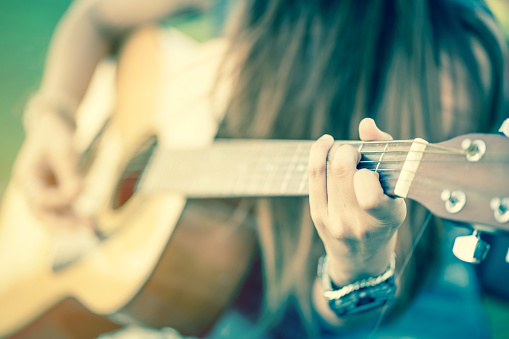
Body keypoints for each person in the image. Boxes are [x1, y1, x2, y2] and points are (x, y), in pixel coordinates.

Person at [11, 0, 507, 338]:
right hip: (218, 286)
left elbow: (346, 321)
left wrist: (358, 265)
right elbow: (94, 17)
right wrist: (54, 118)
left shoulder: (450, 62)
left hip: (397, 305)